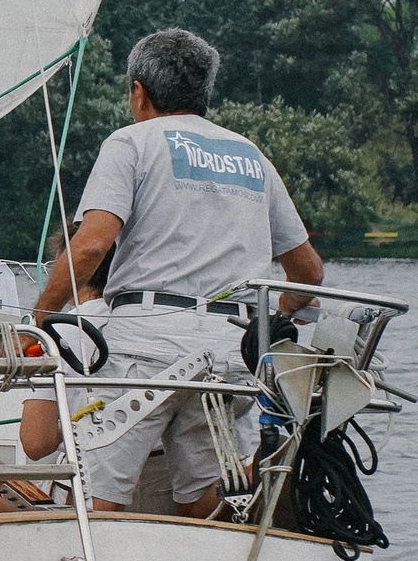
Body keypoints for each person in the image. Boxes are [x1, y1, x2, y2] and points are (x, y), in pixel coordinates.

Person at [29, 27, 323, 517]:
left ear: (139, 93)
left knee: (100, 501)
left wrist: (38, 320)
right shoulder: (251, 156)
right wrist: (285, 310)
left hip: (145, 347)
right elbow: (307, 270)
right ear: (204, 93)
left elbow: (92, 244)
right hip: (231, 354)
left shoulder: (132, 143)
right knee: (202, 501)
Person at [17, 221, 109, 462]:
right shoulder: (135, 324)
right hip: (154, 482)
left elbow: (36, 443)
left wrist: (76, 424)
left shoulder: (59, 332)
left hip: (83, 481)